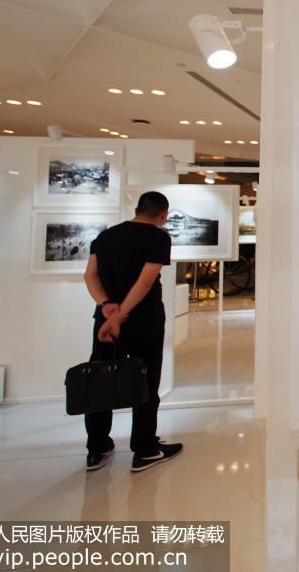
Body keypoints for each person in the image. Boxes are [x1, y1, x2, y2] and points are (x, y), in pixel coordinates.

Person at [82, 190, 183, 473]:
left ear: (138, 209)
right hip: (142, 318)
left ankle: (97, 447)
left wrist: (107, 306)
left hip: (106, 319)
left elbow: (90, 275)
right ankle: (145, 447)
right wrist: (122, 314)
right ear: (163, 214)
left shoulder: (106, 236)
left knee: (101, 378)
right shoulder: (158, 238)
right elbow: (145, 281)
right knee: (146, 378)